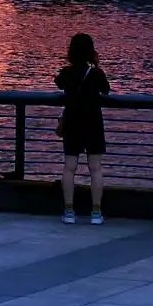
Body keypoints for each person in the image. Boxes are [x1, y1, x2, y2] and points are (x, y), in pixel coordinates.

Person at [56, 32, 109, 224]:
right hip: (93, 121)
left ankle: (69, 211)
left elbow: (59, 83)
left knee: (69, 167)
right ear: (91, 52)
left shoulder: (66, 73)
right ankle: (96, 211)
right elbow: (106, 89)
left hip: (72, 121)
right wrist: (96, 64)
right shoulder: (96, 73)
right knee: (95, 168)